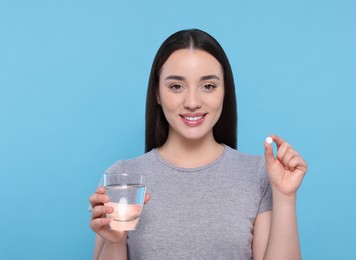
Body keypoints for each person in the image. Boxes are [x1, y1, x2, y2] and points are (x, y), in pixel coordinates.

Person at [89, 29, 308, 260]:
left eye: (208, 86)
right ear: (157, 93)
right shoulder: (122, 177)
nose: (192, 102)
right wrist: (115, 242)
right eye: (176, 86)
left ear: (225, 92)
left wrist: (285, 197)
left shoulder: (258, 175)